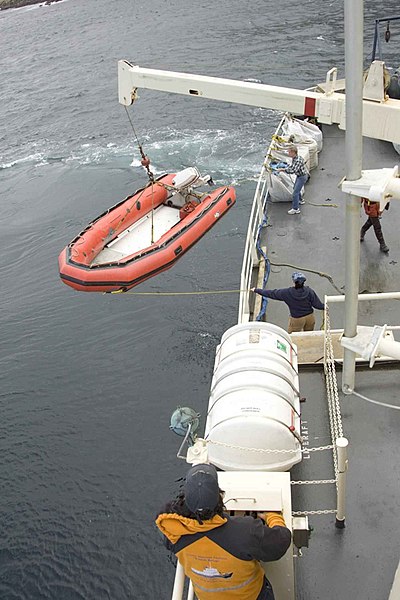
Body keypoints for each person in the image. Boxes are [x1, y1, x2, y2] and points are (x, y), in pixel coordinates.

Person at [155, 463, 291, 600]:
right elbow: (280, 543)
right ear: (219, 496)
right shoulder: (246, 532)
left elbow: (165, 519)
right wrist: (274, 517)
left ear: (184, 499)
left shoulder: (174, 535)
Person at [251, 272, 324, 334]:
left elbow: (272, 293)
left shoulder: (287, 293)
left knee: (292, 336)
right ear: (303, 282)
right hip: (310, 317)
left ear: (294, 281)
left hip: (297, 319)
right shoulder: (309, 291)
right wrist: (325, 307)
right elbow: (317, 305)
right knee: (309, 334)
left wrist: (256, 290)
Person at [277, 145, 309, 215]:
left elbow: (293, 170)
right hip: (300, 176)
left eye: (289, 152)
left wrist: (283, 169)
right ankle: (300, 200)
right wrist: (287, 167)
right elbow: (293, 166)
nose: (288, 154)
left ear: (293, 152)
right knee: (296, 188)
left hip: (302, 177)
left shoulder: (297, 160)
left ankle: (295, 209)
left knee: (295, 193)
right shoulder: (295, 158)